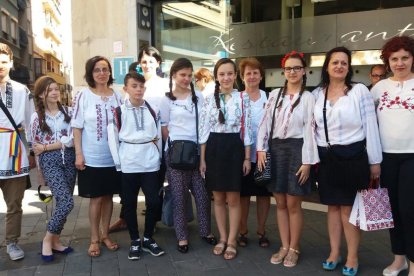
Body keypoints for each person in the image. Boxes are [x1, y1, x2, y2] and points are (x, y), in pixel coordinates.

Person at [313, 47, 382, 276]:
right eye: (335, 62)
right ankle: (334, 252)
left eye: (344, 62)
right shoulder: (317, 94)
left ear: (348, 67)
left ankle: (352, 256)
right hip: (327, 158)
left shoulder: (359, 91)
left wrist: (375, 161)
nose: (340, 66)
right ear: (327, 66)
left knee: (347, 209)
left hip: (353, 157)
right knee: (332, 207)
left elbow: (370, 125)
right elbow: (312, 129)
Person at [256, 51, 319, 267]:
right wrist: (261, 149)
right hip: (275, 149)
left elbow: (311, 130)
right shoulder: (274, 95)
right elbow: (264, 123)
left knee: (293, 202)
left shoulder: (310, 97)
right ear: (284, 71)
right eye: (289, 68)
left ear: (304, 71)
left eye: (297, 68)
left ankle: (294, 247)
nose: (292, 72)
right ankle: (284, 245)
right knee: (280, 202)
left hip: (298, 150)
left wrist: (308, 161)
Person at [159, 58, 216, 254]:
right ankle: (182, 237)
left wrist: (202, 156)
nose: (186, 78)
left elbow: (204, 125)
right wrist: (174, 148)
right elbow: (164, 127)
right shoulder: (166, 99)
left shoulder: (198, 96)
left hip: (196, 151)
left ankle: (205, 231)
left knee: (202, 194)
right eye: (182, 75)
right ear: (173, 75)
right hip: (175, 154)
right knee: (179, 196)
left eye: (189, 75)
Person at [109, 46, 169, 233]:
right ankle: (126, 221)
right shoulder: (132, 84)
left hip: (156, 143)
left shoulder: (165, 84)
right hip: (131, 152)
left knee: (154, 189)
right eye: (143, 61)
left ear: (158, 63)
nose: (147, 65)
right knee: (129, 193)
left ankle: (153, 224)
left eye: (151, 61)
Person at [199, 58, 252, 260]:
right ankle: (222, 237)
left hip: (234, 149)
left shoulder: (242, 98)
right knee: (218, 198)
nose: (226, 77)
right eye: (222, 74)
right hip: (213, 148)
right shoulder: (208, 99)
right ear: (216, 77)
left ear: (236, 75)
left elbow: (247, 130)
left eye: (230, 73)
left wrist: (247, 157)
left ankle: (232, 240)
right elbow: (203, 131)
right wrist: (202, 160)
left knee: (233, 198)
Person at [108, 71, 164, 260]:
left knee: (154, 202)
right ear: (126, 89)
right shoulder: (118, 111)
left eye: (141, 86)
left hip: (150, 162)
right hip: (128, 163)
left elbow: (159, 136)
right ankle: (134, 240)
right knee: (129, 203)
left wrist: (159, 157)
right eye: (134, 86)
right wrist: (118, 164)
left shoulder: (153, 109)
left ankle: (148, 238)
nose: (138, 89)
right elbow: (113, 139)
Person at [71, 56, 123, 257]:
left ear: (110, 73)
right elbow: (76, 127)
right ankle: (94, 239)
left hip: (113, 157)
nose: (102, 73)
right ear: (90, 74)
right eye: (97, 70)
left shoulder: (117, 96)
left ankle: (105, 234)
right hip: (91, 157)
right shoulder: (83, 95)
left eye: (105, 69)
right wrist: (79, 154)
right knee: (96, 199)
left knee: (109, 196)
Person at [371, 35, 414, 276]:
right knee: (393, 210)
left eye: (405, 58)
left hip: (412, 156)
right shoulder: (379, 88)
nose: (400, 63)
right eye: (394, 58)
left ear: (412, 58)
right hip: (387, 158)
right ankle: (399, 259)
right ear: (388, 62)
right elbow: (366, 121)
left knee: (410, 210)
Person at [29, 76, 76, 262]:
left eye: (57, 89)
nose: (55, 92)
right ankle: (47, 240)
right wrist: (40, 174)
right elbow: (36, 146)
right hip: (50, 163)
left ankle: (56, 241)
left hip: (69, 160)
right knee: (67, 202)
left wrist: (49, 146)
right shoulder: (36, 117)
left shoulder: (69, 112)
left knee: (61, 203)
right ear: (41, 94)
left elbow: (71, 140)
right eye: (50, 90)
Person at [0, 42, 35, 261]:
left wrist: (32, 151)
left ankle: (11, 242)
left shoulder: (23, 91)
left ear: (10, 63)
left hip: (14, 153)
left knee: (14, 204)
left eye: (3, 62)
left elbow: (31, 123)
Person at [236, 57, 271, 249]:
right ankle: (242, 231)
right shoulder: (237, 98)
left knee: (263, 194)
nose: (251, 76)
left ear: (261, 75)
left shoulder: (270, 98)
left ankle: (261, 230)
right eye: (247, 73)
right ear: (242, 77)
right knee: (243, 195)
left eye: (255, 73)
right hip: (242, 157)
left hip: (263, 155)